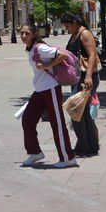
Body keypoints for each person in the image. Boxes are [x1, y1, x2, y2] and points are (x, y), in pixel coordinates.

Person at [19, 22, 76, 168]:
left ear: (34, 34)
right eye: (22, 33)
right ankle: (35, 152)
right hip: (39, 90)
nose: (24, 36)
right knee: (28, 119)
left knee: (57, 123)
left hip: (50, 88)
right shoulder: (30, 49)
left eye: (27, 33)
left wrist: (46, 66)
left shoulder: (40, 47)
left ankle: (67, 157)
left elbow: (63, 55)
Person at [61, 12, 100, 157]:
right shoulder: (75, 34)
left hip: (86, 77)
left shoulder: (84, 34)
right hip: (77, 78)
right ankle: (89, 145)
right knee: (82, 112)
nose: (67, 29)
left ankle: (84, 144)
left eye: (67, 26)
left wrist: (89, 76)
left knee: (75, 109)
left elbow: (92, 55)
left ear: (75, 22)